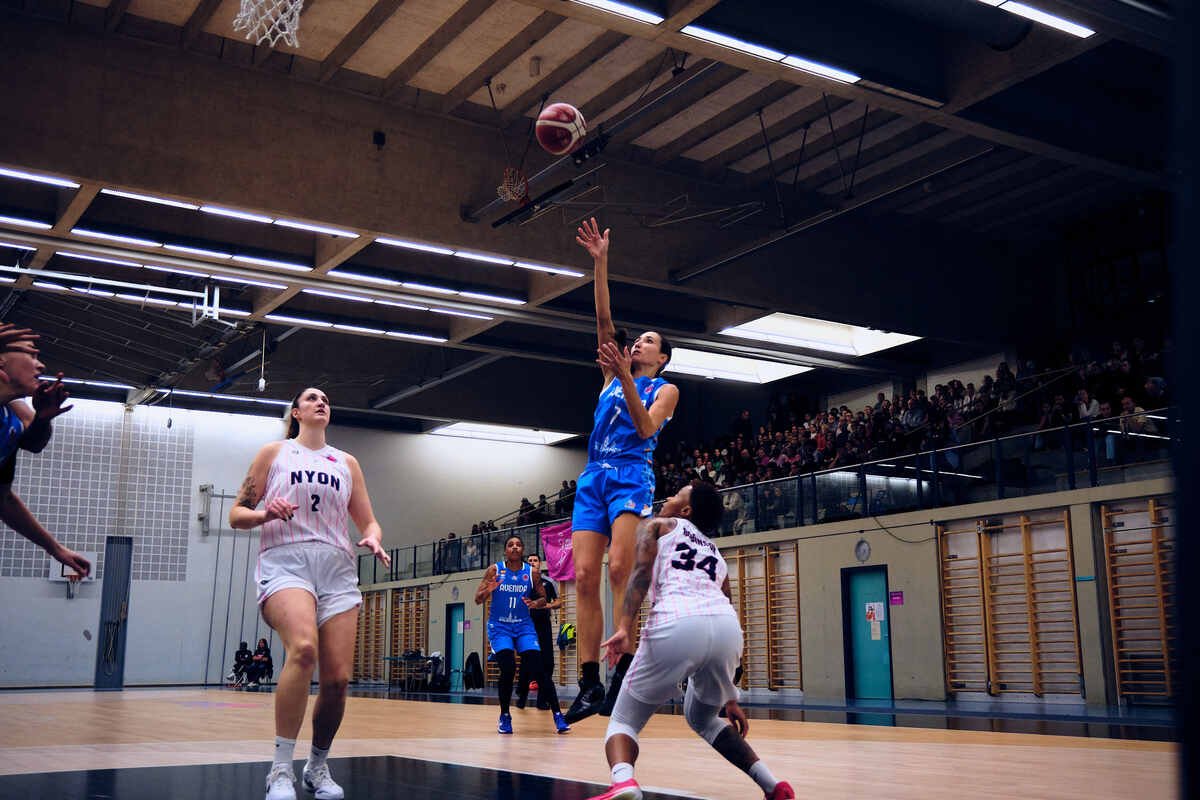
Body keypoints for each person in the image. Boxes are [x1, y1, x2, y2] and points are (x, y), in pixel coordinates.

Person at [229, 387, 391, 800]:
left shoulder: (346, 463)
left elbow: (369, 522)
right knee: (303, 649)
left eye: (326, 400)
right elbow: (236, 514)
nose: (321, 402)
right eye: (312, 398)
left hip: (336, 569)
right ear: (296, 412)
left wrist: (373, 538)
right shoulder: (275, 453)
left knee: (337, 680)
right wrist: (266, 512)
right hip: (287, 562)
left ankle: (317, 767)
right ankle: (280, 769)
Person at [587, 481, 793, 800]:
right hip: (726, 629)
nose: (669, 496)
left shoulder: (659, 525)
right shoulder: (716, 554)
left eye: (677, 493)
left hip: (677, 620)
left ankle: (624, 782)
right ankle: (773, 785)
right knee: (703, 717)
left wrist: (624, 626)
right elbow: (727, 603)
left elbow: (640, 574)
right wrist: (729, 696)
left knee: (623, 720)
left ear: (685, 510)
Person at [566, 218, 680, 724]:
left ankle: (624, 674)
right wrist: (600, 262)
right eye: (639, 340)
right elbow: (604, 318)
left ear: (662, 357)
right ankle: (589, 682)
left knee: (619, 570)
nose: (638, 344)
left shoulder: (665, 390)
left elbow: (645, 427)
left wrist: (629, 380)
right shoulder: (610, 375)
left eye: (649, 341)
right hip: (594, 475)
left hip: (632, 474)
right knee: (584, 575)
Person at [0, 329, 91, 579]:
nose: (40, 365)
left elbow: (3, 498)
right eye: (32, 355)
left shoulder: (10, 417)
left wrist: (55, 548)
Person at [474, 534, 569, 735]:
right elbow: (477, 599)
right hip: (500, 627)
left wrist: (535, 603)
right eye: (511, 545)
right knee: (508, 668)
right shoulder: (494, 570)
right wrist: (488, 590)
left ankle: (558, 715)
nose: (515, 547)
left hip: (524, 626)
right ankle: (505, 715)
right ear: (505, 550)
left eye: (518, 544)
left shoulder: (532, 573)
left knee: (540, 670)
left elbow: (543, 598)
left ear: (522, 550)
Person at [519, 553, 566, 712]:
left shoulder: (549, 582)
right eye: (530, 561)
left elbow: (559, 602)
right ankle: (522, 698)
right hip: (526, 626)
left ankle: (542, 700)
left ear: (540, 563)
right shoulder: (522, 582)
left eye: (535, 560)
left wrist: (548, 606)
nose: (532, 562)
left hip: (544, 625)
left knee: (548, 663)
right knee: (526, 662)